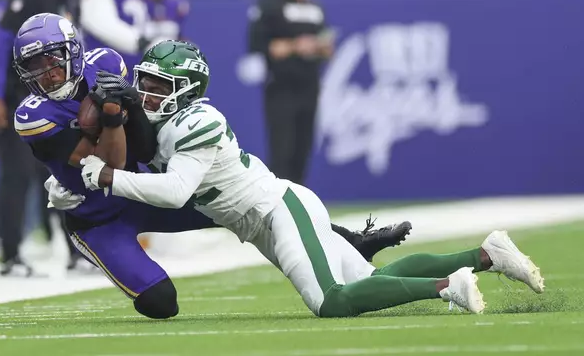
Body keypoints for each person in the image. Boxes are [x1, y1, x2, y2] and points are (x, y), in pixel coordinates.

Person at [79, 40, 546, 317]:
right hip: (262, 220)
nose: (146, 93)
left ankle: (448, 287)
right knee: (368, 277)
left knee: (332, 302)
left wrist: (106, 178)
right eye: (145, 81)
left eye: (159, 86)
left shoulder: (196, 121)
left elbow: (176, 192)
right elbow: (138, 139)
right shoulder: (161, 120)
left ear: (186, 91)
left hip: (277, 210)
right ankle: (486, 255)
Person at [15, 13, 406, 319]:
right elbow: (110, 163)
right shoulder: (33, 115)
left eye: (51, 60)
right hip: (95, 214)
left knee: (237, 200)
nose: (45, 72)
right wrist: (114, 115)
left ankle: (351, 240)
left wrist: (130, 106)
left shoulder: (106, 62)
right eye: (34, 65)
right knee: (160, 304)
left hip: (141, 186)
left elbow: (142, 144)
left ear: (72, 51)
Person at [0, 0, 89, 276]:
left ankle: (78, 250)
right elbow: (2, 42)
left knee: (67, 171)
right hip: (22, 100)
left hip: (58, 99)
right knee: (16, 176)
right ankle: (11, 255)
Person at [248, 0, 333, 185]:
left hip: (309, 85)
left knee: (302, 149)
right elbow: (262, 46)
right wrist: (297, 45)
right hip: (281, 86)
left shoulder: (314, 6)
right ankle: (278, 204)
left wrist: (320, 47)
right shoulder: (270, 4)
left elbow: (327, 46)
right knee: (282, 150)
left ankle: (300, 202)